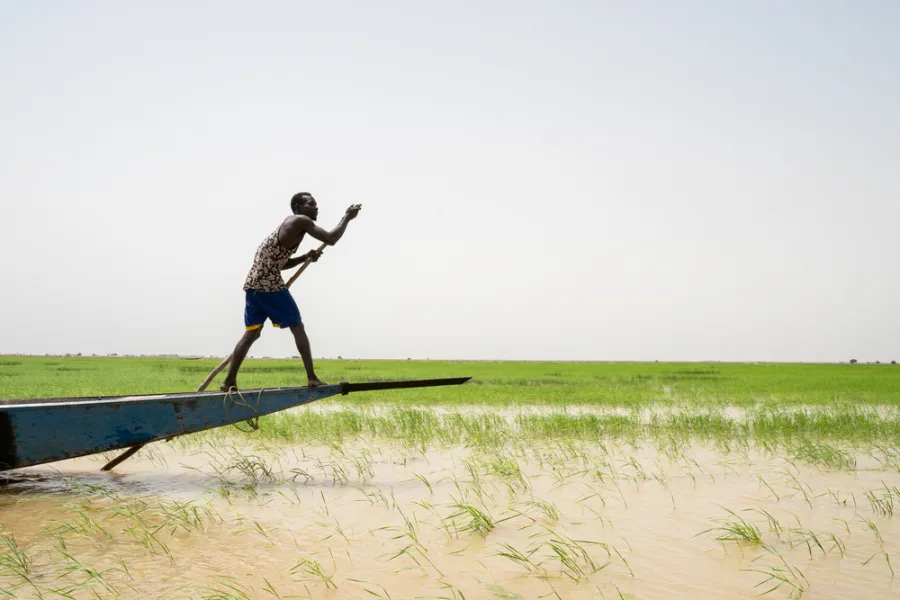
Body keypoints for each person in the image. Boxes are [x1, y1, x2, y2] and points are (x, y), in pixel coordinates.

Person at [220, 192, 362, 391]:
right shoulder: (299, 221)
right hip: (269, 286)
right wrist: (347, 217)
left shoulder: (291, 226)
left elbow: (281, 263)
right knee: (297, 325)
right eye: (311, 204)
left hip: (254, 285)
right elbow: (330, 239)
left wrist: (305, 257)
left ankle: (228, 381)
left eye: (316, 204)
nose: (316, 208)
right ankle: (312, 377)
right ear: (298, 208)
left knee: (252, 334)